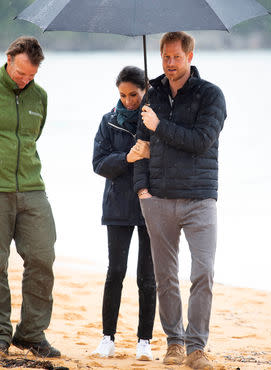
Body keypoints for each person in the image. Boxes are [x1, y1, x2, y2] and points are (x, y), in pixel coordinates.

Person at [134, 32, 227, 369]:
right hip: (157, 199)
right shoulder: (152, 94)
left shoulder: (211, 95)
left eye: (175, 57)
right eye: (164, 57)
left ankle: (196, 347)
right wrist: (142, 190)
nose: (169, 64)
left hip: (200, 198)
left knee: (203, 272)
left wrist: (159, 125)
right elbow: (140, 147)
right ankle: (174, 343)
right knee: (165, 276)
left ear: (190, 55)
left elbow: (201, 141)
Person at [0, 36, 60, 358]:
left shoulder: (40, 97)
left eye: (31, 76)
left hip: (32, 187)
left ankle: (32, 334)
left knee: (42, 258)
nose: (24, 80)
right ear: (9, 59)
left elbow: (34, 137)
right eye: (20, 73)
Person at [92, 66, 156, 361]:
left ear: (145, 91)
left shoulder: (156, 120)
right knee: (115, 271)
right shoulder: (108, 122)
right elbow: (99, 163)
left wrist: (152, 150)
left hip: (150, 205)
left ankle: (144, 341)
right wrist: (128, 157)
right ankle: (108, 338)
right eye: (123, 95)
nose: (128, 100)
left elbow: (171, 162)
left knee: (147, 277)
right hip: (117, 206)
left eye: (134, 94)